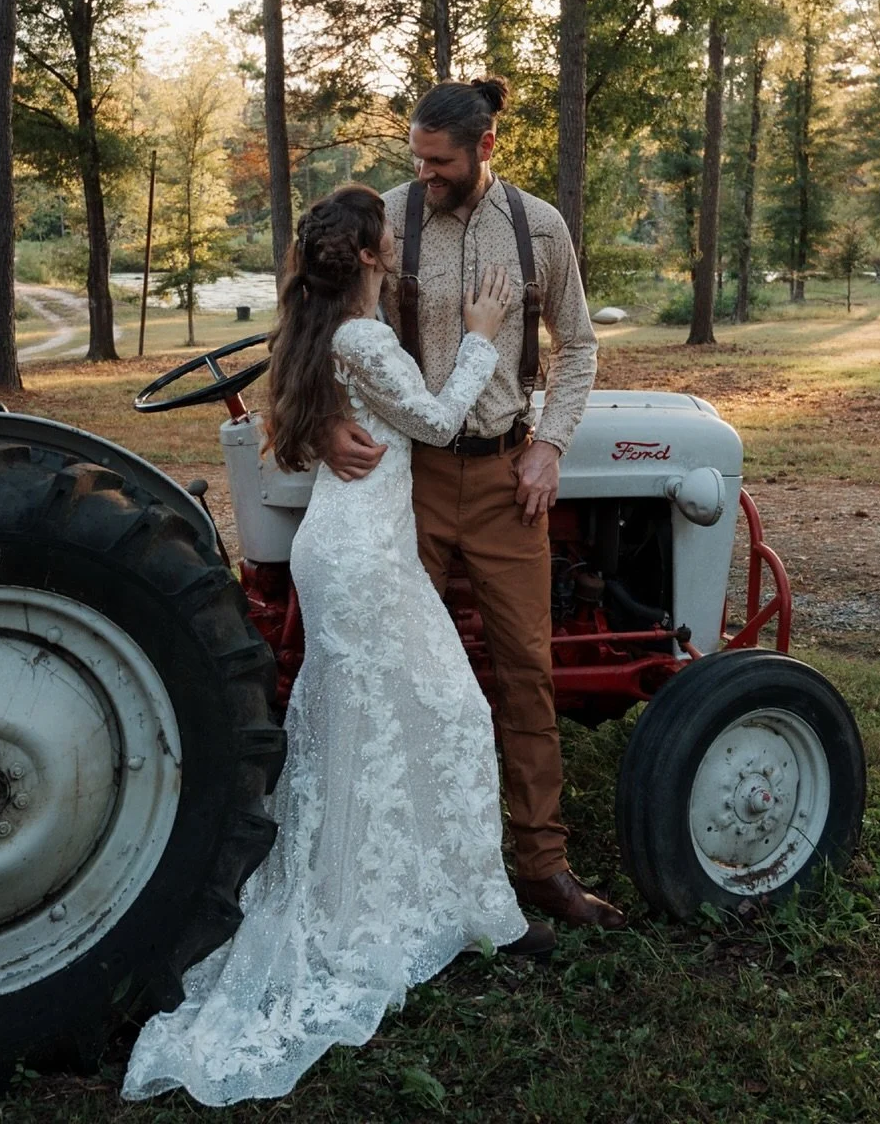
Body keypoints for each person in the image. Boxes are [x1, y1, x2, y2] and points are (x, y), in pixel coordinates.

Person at [123, 186, 545, 1107]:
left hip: (355, 547)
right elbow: (438, 422)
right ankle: (382, 904)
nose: (398, 231)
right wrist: (482, 336)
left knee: (384, 721)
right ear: (366, 253)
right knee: (440, 713)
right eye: (386, 230)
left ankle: (419, 889)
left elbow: (350, 412)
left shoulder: (329, 331)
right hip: (361, 558)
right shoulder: (361, 338)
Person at [325, 77, 623, 931]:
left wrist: (550, 444)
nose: (423, 174)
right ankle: (407, 867)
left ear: (485, 147)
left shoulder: (540, 229)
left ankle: (543, 867)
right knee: (397, 671)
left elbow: (579, 347)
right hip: (404, 483)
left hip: (504, 482)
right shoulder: (386, 219)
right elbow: (317, 325)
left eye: (439, 162)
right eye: (415, 158)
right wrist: (325, 421)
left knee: (527, 674)